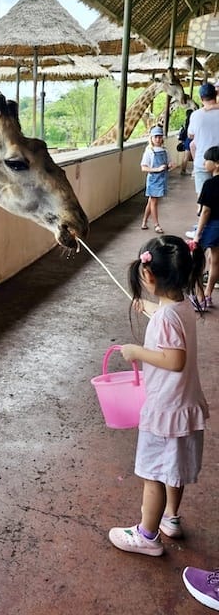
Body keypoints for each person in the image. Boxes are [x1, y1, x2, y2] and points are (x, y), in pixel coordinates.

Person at [108, 235, 208, 557]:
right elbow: (169, 322)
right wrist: (148, 307)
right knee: (172, 469)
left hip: (165, 410)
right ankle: (171, 519)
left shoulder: (166, 318)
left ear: (148, 276)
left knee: (153, 475)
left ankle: (147, 535)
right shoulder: (183, 306)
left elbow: (174, 359)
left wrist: (137, 351)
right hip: (184, 407)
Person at [189, 146, 219, 309]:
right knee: (215, 260)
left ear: (217, 164)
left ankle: (200, 298)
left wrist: (197, 234)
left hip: (211, 225)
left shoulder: (210, 184)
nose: (204, 162)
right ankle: (208, 295)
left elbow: (205, 211)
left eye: (207, 160)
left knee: (197, 261)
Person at [140, 125, 174, 233]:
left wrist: (170, 165)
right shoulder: (149, 151)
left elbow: (169, 162)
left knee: (151, 201)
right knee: (154, 202)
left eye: (160, 137)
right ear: (151, 138)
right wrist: (157, 169)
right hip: (153, 180)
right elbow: (144, 167)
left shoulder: (165, 150)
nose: (158, 139)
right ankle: (156, 224)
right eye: (156, 137)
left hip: (162, 178)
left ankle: (144, 221)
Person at [188, 83, 219, 196]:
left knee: (202, 198)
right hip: (218, 161)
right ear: (216, 94)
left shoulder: (196, 115)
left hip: (202, 161)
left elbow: (190, 135)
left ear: (201, 98)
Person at [178, 109, 194, 175]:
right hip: (190, 140)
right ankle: (183, 170)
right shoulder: (192, 122)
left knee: (186, 157)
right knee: (189, 156)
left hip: (187, 140)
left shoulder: (187, 122)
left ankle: (183, 170)